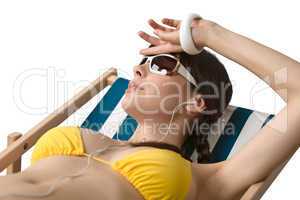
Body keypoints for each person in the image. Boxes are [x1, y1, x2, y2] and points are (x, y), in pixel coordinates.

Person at [0, 15, 299, 200]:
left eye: (160, 64)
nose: (137, 70)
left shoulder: (210, 179)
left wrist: (208, 33)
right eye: (141, 63)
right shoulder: (93, 136)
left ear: (197, 101)